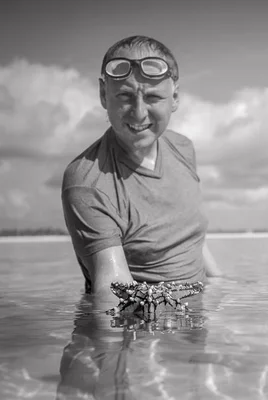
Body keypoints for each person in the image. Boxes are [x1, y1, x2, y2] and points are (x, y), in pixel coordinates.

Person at [61, 35, 222, 312]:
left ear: (175, 98)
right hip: (143, 321)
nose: (138, 113)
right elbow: (112, 290)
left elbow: (190, 236)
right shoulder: (87, 182)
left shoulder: (183, 148)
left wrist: (222, 283)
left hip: (196, 315)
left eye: (152, 97)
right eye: (124, 96)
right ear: (103, 94)